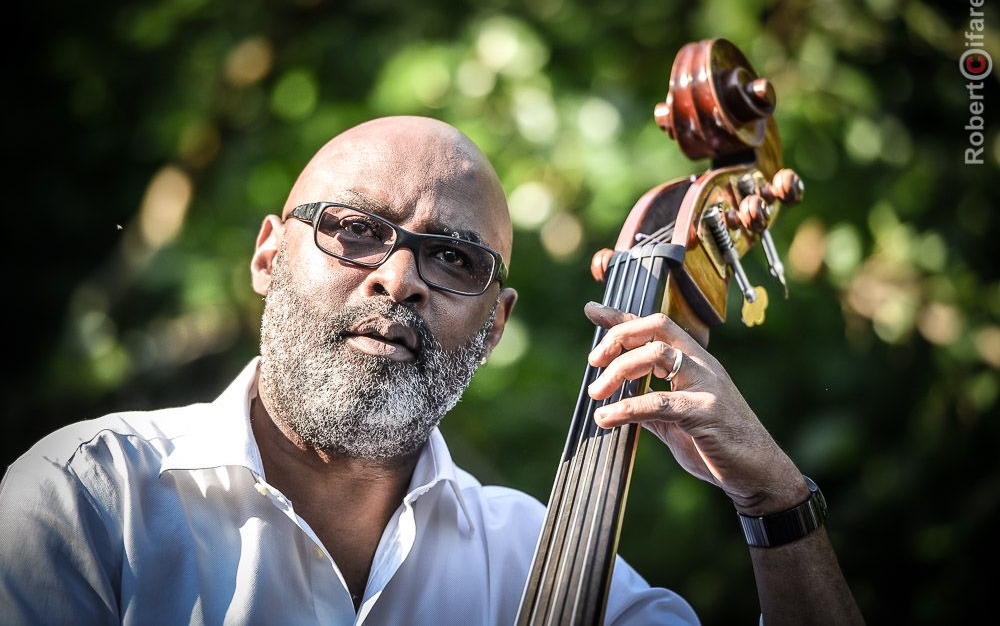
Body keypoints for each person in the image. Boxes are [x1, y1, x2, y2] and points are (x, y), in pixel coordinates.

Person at [0, 116, 863, 624]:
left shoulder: (533, 559)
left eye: (453, 258)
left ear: (493, 324)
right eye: (354, 227)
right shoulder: (84, 502)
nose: (399, 275)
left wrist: (773, 498)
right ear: (268, 254)